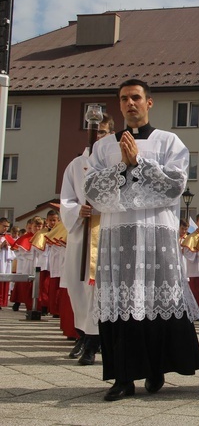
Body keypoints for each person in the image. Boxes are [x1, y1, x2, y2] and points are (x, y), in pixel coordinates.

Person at [84, 78, 199, 401]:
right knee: (123, 303)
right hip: (118, 237)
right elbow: (93, 191)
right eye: (124, 99)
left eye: (136, 97)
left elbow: (175, 186)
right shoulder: (103, 147)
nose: (130, 104)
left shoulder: (169, 142)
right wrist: (121, 167)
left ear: (149, 102)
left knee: (154, 300)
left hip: (156, 236)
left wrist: (138, 163)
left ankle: (156, 369)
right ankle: (122, 378)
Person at [60, 113, 115, 364]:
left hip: (107, 233)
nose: (98, 137)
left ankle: (95, 340)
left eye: (103, 132)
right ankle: (83, 334)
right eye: (95, 132)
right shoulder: (75, 165)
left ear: (111, 134)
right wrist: (76, 210)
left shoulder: (115, 163)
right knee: (77, 285)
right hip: (81, 233)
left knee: (100, 288)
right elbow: (66, 198)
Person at [0, 218, 15, 308]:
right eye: (4, 226)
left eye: (7, 227)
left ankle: (3, 302)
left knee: (5, 280)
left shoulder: (8, 237)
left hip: (6, 263)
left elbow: (16, 249)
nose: (6, 228)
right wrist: (1, 246)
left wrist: (9, 247)